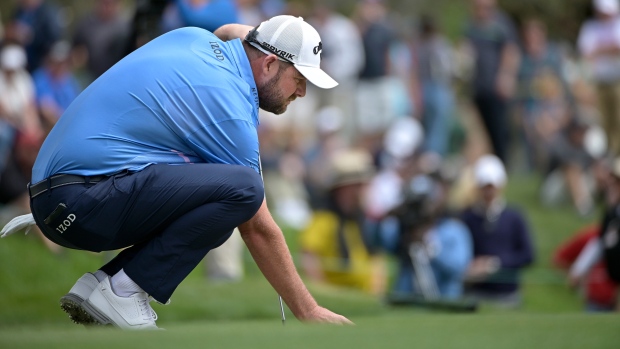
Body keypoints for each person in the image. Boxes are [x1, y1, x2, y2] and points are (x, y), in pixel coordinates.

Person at [1, 15, 351, 329]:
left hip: (59, 196)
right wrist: (308, 310)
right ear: (271, 64)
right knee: (243, 190)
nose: (303, 92)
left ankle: (103, 284)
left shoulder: (196, 39)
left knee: (216, 179)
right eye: (299, 78)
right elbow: (258, 228)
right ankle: (125, 291)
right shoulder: (229, 109)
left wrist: (268, 36)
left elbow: (230, 31)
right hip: (79, 201)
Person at [300, 148, 386, 294]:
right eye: (357, 186)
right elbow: (309, 261)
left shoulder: (361, 221)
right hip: (337, 304)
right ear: (341, 189)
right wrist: (325, 298)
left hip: (365, 300)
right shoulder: (324, 220)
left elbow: (376, 259)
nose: (362, 191)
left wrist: (376, 293)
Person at [461, 155, 535, 307]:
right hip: (475, 294)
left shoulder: (514, 217)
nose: (489, 192)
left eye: (492, 186)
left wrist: (495, 264)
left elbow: (527, 255)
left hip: (507, 296)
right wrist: (472, 267)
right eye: (485, 187)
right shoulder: (467, 217)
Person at [387, 175, 472, 300]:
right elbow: (380, 243)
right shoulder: (404, 232)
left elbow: (458, 269)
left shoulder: (453, 230)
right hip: (409, 305)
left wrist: (432, 249)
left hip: (446, 303)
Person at [462, 0, 520, 163]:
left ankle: (503, 164)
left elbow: (511, 51)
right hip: (478, 87)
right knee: (482, 132)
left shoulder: (502, 23)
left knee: (499, 130)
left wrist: (506, 76)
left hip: (496, 87)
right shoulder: (471, 25)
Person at [577, 0, 620, 156]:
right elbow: (586, 53)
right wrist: (610, 49)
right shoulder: (590, 27)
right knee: (602, 123)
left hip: (617, 81)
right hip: (598, 82)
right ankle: (610, 157)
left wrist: (599, 50)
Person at [72, 0, 131, 81]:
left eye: (111, 3)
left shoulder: (125, 28)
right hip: (90, 77)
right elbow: (75, 52)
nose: (107, 7)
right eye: (104, 3)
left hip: (117, 77)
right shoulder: (85, 25)